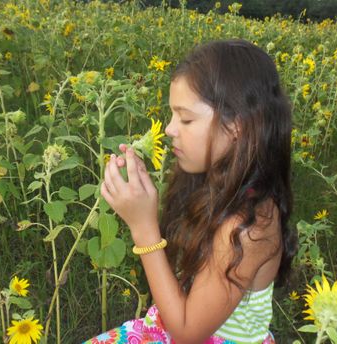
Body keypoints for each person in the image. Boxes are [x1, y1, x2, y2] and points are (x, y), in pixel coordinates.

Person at [83, 39, 297, 344]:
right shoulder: (214, 184)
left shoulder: (249, 227)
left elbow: (187, 333)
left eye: (185, 118)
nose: (169, 129)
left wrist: (144, 228)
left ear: (236, 125)